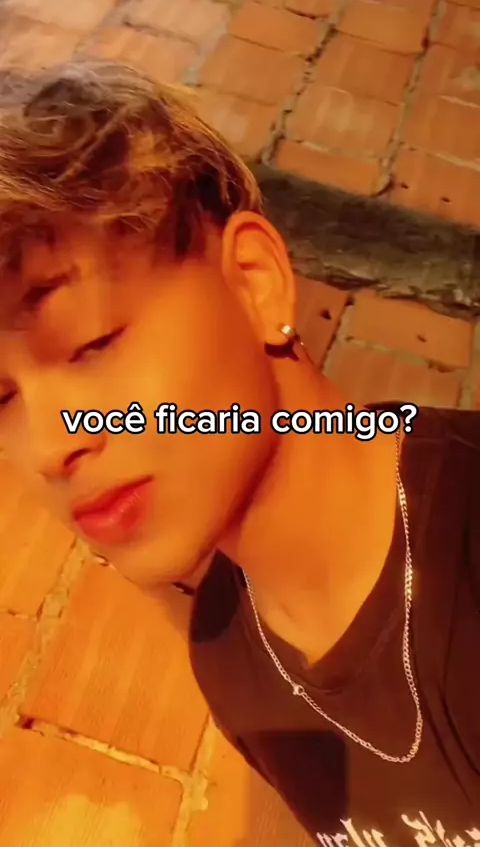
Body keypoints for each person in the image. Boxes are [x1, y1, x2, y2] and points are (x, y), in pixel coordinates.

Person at [0, 59, 479, 846]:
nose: (51, 448)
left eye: (92, 343)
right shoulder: (230, 660)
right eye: (1, 400)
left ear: (254, 284)